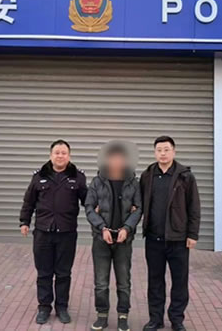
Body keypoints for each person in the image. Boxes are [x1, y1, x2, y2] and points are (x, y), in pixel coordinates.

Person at [19, 139, 87, 325]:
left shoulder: (78, 177)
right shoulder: (39, 176)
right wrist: (24, 221)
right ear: (51, 155)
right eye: (57, 153)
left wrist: (100, 210)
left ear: (69, 156)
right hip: (43, 232)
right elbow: (29, 201)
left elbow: (88, 201)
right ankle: (44, 307)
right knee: (44, 272)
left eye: (64, 153)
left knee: (64, 273)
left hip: (67, 232)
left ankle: (62, 307)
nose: (60, 156)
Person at [140, 136, 201, 331]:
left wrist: (192, 234)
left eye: (166, 149)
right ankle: (155, 319)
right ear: (154, 153)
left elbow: (194, 207)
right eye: (159, 150)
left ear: (173, 151)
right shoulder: (147, 175)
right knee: (155, 281)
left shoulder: (185, 176)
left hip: (178, 239)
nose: (163, 153)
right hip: (153, 239)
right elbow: (138, 203)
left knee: (179, 281)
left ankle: (177, 319)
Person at [85, 141, 142, 331]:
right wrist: (102, 228)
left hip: (123, 240)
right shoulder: (97, 181)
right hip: (101, 239)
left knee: (123, 282)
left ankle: (123, 316)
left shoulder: (133, 182)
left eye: (120, 158)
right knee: (101, 282)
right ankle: (101, 315)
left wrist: (127, 228)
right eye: (113, 158)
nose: (116, 161)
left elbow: (138, 208)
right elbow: (89, 208)